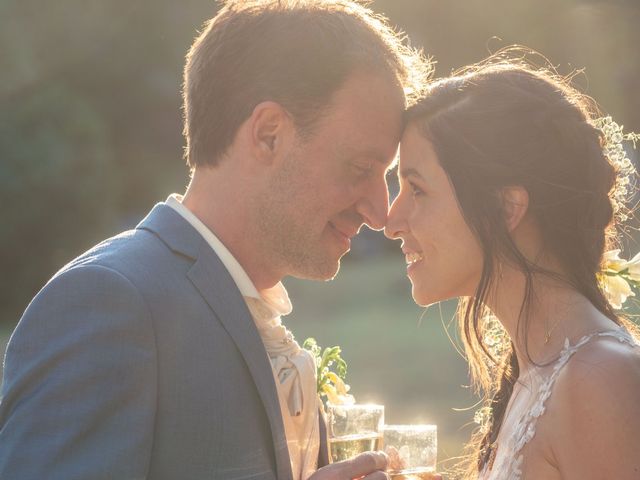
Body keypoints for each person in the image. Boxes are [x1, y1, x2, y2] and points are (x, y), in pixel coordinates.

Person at [0, 1, 430, 479]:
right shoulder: (108, 302)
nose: (379, 210)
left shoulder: (249, 308)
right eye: (360, 169)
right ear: (269, 134)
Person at [385, 50, 640, 479]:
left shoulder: (600, 380)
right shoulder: (534, 373)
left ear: (506, 208)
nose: (391, 221)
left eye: (417, 189)